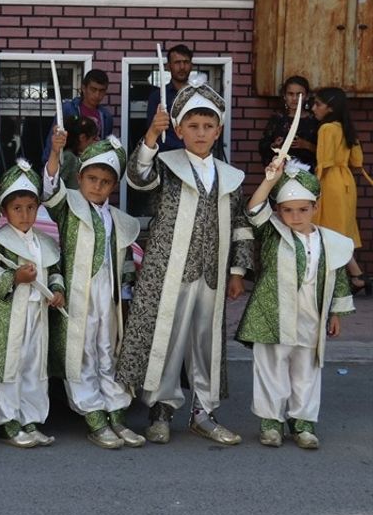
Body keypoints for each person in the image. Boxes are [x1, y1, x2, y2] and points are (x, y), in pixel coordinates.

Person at [117, 81, 254, 446]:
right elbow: (137, 178)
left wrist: (238, 271)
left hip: (212, 272)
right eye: (192, 126)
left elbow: (240, 224)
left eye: (208, 126)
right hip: (170, 270)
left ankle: (203, 413)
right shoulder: (165, 165)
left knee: (206, 342)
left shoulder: (230, 177)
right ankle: (160, 410)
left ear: (219, 130)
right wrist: (151, 135)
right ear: (179, 129)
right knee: (169, 338)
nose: (201, 133)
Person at [238, 157, 354, 449]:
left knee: (306, 369)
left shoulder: (330, 241)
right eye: (287, 210)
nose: (296, 216)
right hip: (272, 315)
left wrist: (336, 313)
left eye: (303, 209)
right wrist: (271, 178)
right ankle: (271, 423)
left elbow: (338, 277)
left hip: (310, 316)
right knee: (271, 367)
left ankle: (302, 423)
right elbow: (253, 208)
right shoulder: (271, 233)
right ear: (278, 211)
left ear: (316, 207)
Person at [44, 133, 146, 449]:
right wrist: (55, 152)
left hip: (108, 293)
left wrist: (126, 299)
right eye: (92, 178)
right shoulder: (70, 205)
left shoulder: (118, 219)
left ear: (113, 186)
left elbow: (126, 264)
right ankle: (94, 415)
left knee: (108, 348)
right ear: (79, 178)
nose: (97, 186)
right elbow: (49, 190)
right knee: (82, 350)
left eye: (105, 181)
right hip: (79, 292)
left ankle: (116, 412)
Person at [0, 159, 64, 449]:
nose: (24, 214)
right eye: (17, 208)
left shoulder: (45, 242)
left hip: (37, 315)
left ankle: (31, 418)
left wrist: (57, 290)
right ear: (5, 211)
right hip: (8, 317)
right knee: (9, 368)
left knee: (33, 366)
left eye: (30, 207)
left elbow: (55, 271)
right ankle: (8, 421)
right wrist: (13, 277)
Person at [311, 87, 370, 293]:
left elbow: (323, 163)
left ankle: (351, 278)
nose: (313, 108)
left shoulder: (326, 129)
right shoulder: (346, 127)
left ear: (330, 107)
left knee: (327, 232)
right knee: (338, 232)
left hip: (330, 183)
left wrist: (314, 190)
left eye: (318, 104)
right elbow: (357, 160)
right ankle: (356, 277)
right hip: (346, 183)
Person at [42, 69, 114, 163]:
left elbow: (105, 147)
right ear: (84, 88)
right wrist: (48, 168)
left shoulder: (106, 116)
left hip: (93, 167)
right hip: (67, 166)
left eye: (101, 91)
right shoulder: (68, 109)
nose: (97, 95)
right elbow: (53, 141)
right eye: (93, 89)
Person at [257, 76, 319, 168]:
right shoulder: (278, 119)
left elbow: (326, 152)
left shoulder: (314, 120)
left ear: (307, 96)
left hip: (308, 173)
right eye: (290, 94)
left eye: (299, 94)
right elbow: (263, 146)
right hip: (281, 172)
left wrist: (307, 145)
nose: (294, 98)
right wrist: (275, 146)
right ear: (285, 96)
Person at [144, 44, 194, 152]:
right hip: (166, 158)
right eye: (177, 62)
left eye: (186, 62)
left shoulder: (199, 94)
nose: (182, 67)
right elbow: (153, 131)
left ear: (191, 65)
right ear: (168, 66)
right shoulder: (157, 96)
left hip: (196, 156)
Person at [54, 115, 99, 190]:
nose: (96, 142)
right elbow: (57, 184)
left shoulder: (79, 156)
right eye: (93, 138)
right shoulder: (69, 157)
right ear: (82, 138)